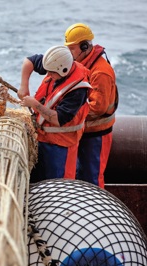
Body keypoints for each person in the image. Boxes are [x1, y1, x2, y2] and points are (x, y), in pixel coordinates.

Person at [18, 45, 92, 181]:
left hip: (61, 146)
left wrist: (34, 104)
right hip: (43, 138)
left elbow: (58, 119)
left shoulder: (78, 90)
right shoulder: (56, 63)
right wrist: (24, 85)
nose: (49, 76)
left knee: (60, 187)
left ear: (63, 70)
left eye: (51, 73)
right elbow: (29, 61)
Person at [64, 23, 118, 189]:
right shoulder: (84, 64)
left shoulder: (100, 72)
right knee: (80, 177)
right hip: (84, 131)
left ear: (85, 46)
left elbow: (98, 107)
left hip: (96, 135)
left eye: (72, 49)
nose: (69, 53)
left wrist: (68, 113)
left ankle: (98, 212)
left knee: (92, 179)